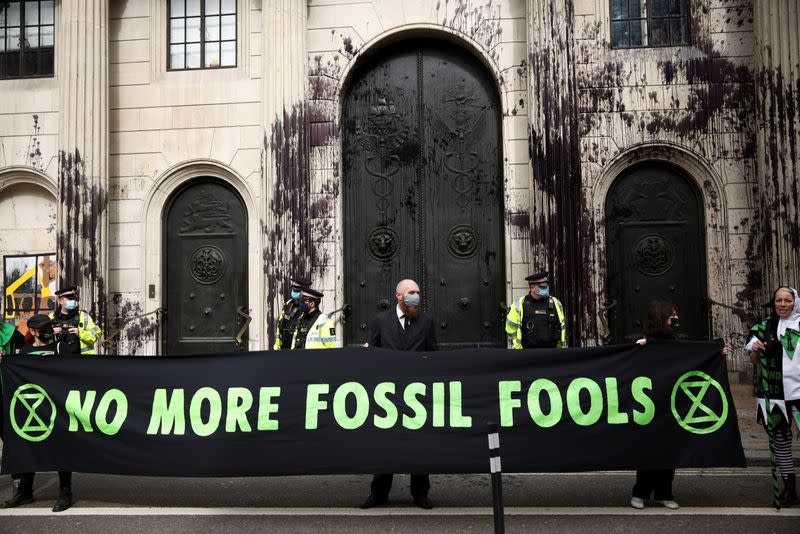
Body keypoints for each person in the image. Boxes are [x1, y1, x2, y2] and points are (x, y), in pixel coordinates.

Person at [631, 300, 728, 510]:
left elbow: (695, 357)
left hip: (673, 404)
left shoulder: (679, 342)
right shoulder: (642, 343)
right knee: (648, 450)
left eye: (676, 315)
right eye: (671, 316)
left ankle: (664, 494)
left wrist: (716, 353)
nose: (675, 319)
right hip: (649, 405)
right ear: (660, 318)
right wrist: (638, 348)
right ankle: (640, 492)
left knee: (669, 450)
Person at [359, 279, 438, 510]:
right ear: (399, 296)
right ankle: (379, 493)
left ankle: (421, 493)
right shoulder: (380, 321)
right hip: (388, 395)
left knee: (419, 445)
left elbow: (433, 354)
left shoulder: (426, 321)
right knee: (384, 444)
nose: (416, 296)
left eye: (418, 293)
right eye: (411, 292)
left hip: (417, 395)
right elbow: (372, 352)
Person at [0, 314, 74, 512]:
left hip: (56, 407)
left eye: (49, 326)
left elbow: (76, 372)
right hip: (31, 407)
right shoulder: (23, 352)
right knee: (27, 445)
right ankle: (25, 491)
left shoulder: (60, 348)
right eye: (43, 327)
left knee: (61, 448)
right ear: (32, 331)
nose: (47, 330)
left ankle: (65, 491)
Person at [745, 286, 800, 507]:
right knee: (781, 441)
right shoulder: (764, 327)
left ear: (795, 302)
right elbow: (755, 362)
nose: (783, 305)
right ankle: (789, 488)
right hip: (775, 394)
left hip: (799, 393)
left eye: (787, 300)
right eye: (778, 300)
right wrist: (756, 349)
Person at [505, 271, 567, 349]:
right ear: (532, 288)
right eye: (542, 286)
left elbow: (561, 328)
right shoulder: (519, 304)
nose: (546, 288)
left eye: (546, 285)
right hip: (528, 352)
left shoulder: (556, 303)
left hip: (551, 352)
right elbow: (510, 328)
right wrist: (517, 345)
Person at [49, 285, 101, 354]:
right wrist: (51, 333)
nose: (73, 301)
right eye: (69, 298)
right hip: (57, 360)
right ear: (60, 301)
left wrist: (80, 333)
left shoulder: (83, 316)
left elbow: (96, 335)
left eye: (73, 298)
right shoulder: (51, 318)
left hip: (80, 361)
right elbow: (41, 336)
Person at [274, 276, 312, 350]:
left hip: (299, 348)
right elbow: (280, 325)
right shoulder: (288, 304)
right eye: (293, 290)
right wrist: (277, 344)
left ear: (304, 292)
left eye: (297, 290)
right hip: (284, 346)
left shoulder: (308, 308)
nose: (294, 292)